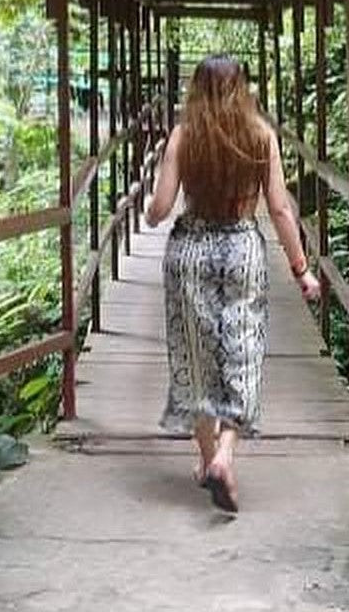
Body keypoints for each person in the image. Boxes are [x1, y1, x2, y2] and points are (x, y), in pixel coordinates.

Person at [144, 55, 320, 515]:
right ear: (242, 88)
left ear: (197, 89)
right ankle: (225, 453)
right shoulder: (261, 135)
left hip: (190, 253)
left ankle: (207, 463)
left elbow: (160, 208)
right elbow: (281, 210)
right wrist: (301, 270)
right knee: (243, 353)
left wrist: (149, 210)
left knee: (195, 358)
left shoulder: (184, 135)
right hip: (241, 252)